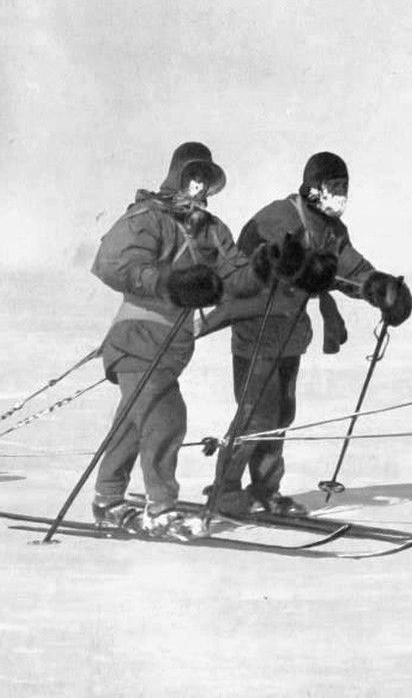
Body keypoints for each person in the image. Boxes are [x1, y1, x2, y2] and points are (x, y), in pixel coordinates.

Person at [204, 151, 412, 517]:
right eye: (334, 186)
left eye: (345, 187)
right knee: (256, 415)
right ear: (314, 188)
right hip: (257, 327)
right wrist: (296, 269)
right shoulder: (278, 216)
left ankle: (266, 491)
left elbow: (349, 266)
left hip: (291, 331)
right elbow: (253, 263)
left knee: (281, 414)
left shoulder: (332, 230)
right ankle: (224, 490)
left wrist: (379, 287)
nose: (341, 195)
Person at [88, 142, 270, 539]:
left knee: (135, 423)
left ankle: (108, 500)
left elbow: (237, 277)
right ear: (177, 175)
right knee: (165, 416)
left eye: (206, 180)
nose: (198, 187)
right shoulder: (147, 217)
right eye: (193, 176)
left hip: (172, 343)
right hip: (137, 335)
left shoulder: (211, 229)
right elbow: (113, 264)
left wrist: (266, 268)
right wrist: (170, 282)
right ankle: (162, 509)